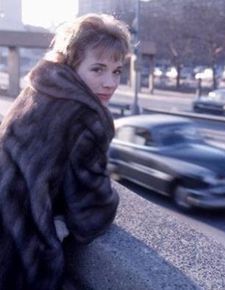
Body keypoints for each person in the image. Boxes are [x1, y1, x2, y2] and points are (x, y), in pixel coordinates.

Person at [0, 13, 130, 290]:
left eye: (116, 70)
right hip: (23, 252)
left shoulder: (37, 91)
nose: (110, 82)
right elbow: (90, 213)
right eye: (98, 69)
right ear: (72, 65)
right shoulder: (88, 117)